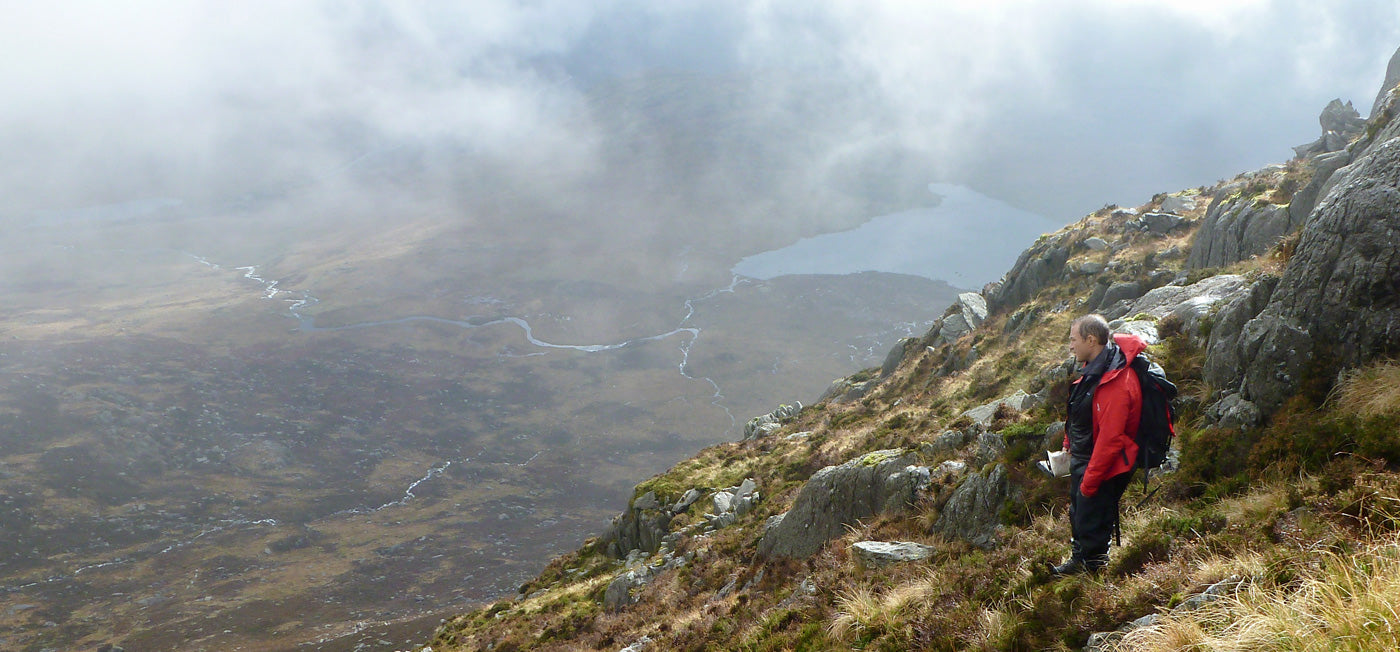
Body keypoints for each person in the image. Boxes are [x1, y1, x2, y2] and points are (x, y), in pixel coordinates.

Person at [1052, 314, 1144, 576]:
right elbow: (1080, 412)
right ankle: (1079, 560)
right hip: (1083, 460)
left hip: (1102, 465)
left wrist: (1091, 479)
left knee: (1092, 519)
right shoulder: (1094, 372)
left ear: (1090, 340)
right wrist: (1069, 444)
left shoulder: (1117, 381)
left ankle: (1093, 574)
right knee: (1079, 514)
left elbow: (1110, 439)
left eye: (1073, 340)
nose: (1070, 346)